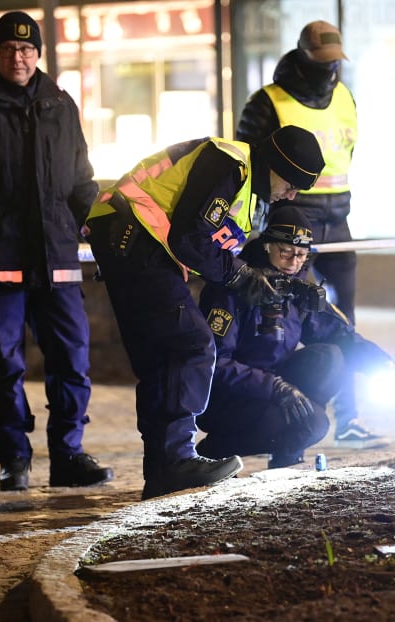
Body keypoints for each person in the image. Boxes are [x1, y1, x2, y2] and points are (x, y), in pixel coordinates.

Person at [84, 125, 324, 500]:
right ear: (274, 164)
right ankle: (177, 459)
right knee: (192, 344)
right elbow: (188, 238)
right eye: (291, 183)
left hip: (129, 239)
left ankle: (162, 469)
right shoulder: (229, 163)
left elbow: (210, 251)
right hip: (134, 235)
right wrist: (239, 276)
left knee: (160, 359)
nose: (290, 195)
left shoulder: (245, 192)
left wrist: (260, 281)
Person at [0, 11, 113, 492]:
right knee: (6, 366)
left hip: (56, 257)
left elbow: (81, 181)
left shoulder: (60, 103)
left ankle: (68, 454)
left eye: (28, 50)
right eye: (10, 50)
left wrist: (103, 228)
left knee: (72, 360)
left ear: (38, 54)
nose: (19, 57)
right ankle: (14, 458)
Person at [236, 19, 384, 447]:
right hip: (292, 222)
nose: (329, 69)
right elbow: (252, 164)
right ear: (303, 58)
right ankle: (281, 413)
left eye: (335, 62)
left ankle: (351, 418)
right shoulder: (268, 102)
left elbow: (347, 153)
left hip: (339, 220)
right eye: (322, 62)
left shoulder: (345, 96)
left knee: (343, 319)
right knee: (286, 316)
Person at [195, 207, 395, 467]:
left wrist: (380, 362)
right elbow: (215, 365)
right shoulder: (235, 288)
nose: (293, 261)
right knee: (298, 423)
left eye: (301, 255)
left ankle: (286, 456)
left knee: (329, 362)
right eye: (286, 252)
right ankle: (217, 449)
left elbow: (337, 334)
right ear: (267, 246)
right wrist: (275, 388)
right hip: (227, 398)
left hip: (272, 387)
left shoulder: (297, 289)